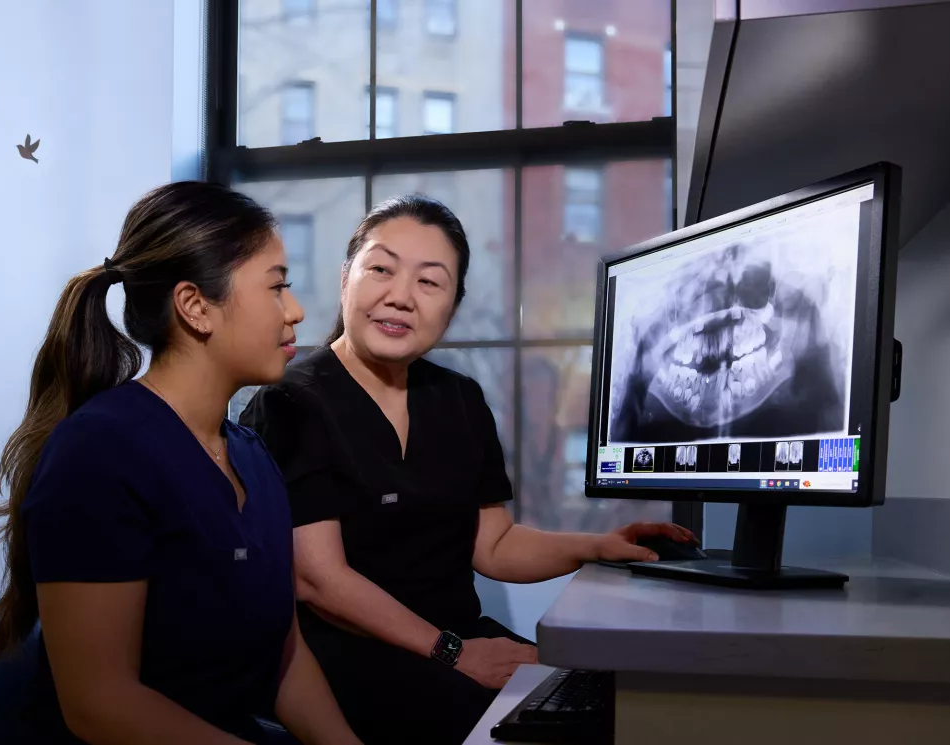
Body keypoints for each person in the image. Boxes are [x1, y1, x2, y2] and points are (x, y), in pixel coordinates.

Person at [240, 195, 696, 745]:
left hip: (458, 641)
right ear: (346, 279)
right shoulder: (291, 403)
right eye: (381, 269)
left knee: (617, 703)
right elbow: (318, 581)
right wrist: (453, 653)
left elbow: (494, 546)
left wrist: (598, 545)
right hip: (346, 657)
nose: (401, 297)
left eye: (429, 283)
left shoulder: (459, 398)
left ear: (452, 306)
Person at [0, 181, 362, 745]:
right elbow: (99, 704)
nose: (297, 311)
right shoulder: (101, 453)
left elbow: (285, 653)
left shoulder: (252, 457)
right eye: (277, 287)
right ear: (195, 306)